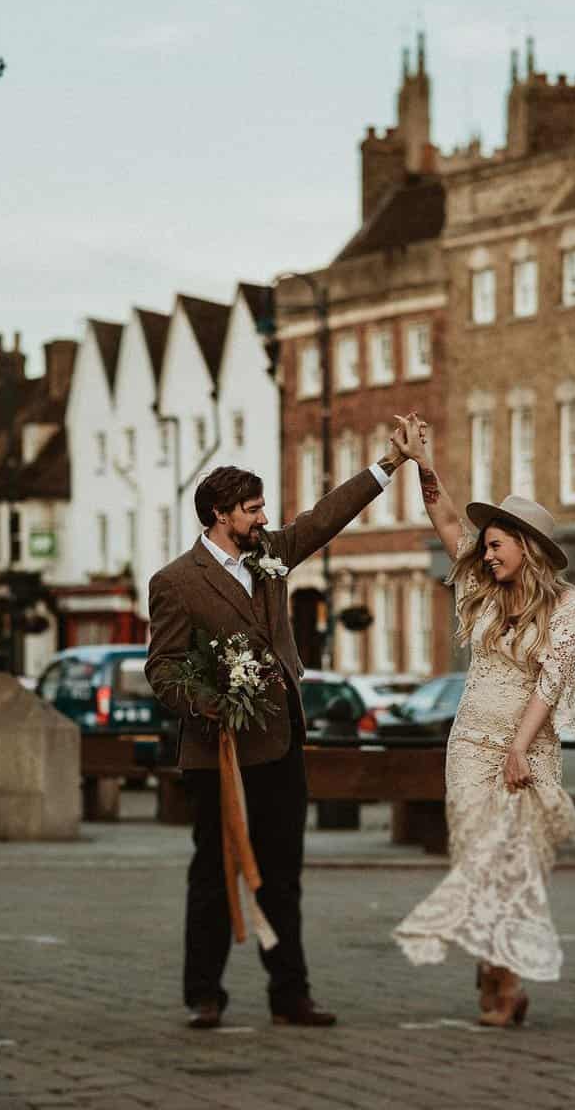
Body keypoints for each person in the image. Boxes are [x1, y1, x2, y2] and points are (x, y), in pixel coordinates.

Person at [146, 430, 409, 1031]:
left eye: (263, 507)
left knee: (283, 876)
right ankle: (204, 994)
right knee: (214, 876)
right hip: (219, 754)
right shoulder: (176, 582)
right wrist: (207, 700)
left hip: (282, 743)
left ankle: (290, 994)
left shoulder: (272, 555)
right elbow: (161, 668)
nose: (265, 518)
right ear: (219, 516)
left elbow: (324, 519)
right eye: (252, 509)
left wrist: (388, 464)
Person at [391, 413, 575, 1027]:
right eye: (486, 546)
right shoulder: (480, 588)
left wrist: (519, 747)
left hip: (524, 750)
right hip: (469, 748)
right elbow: (448, 521)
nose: (486, 551)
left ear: (526, 548)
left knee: (512, 866)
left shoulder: (567, 608)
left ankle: (501, 981)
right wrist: (422, 463)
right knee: (477, 863)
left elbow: (552, 680)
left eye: (497, 544)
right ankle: (496, 967)